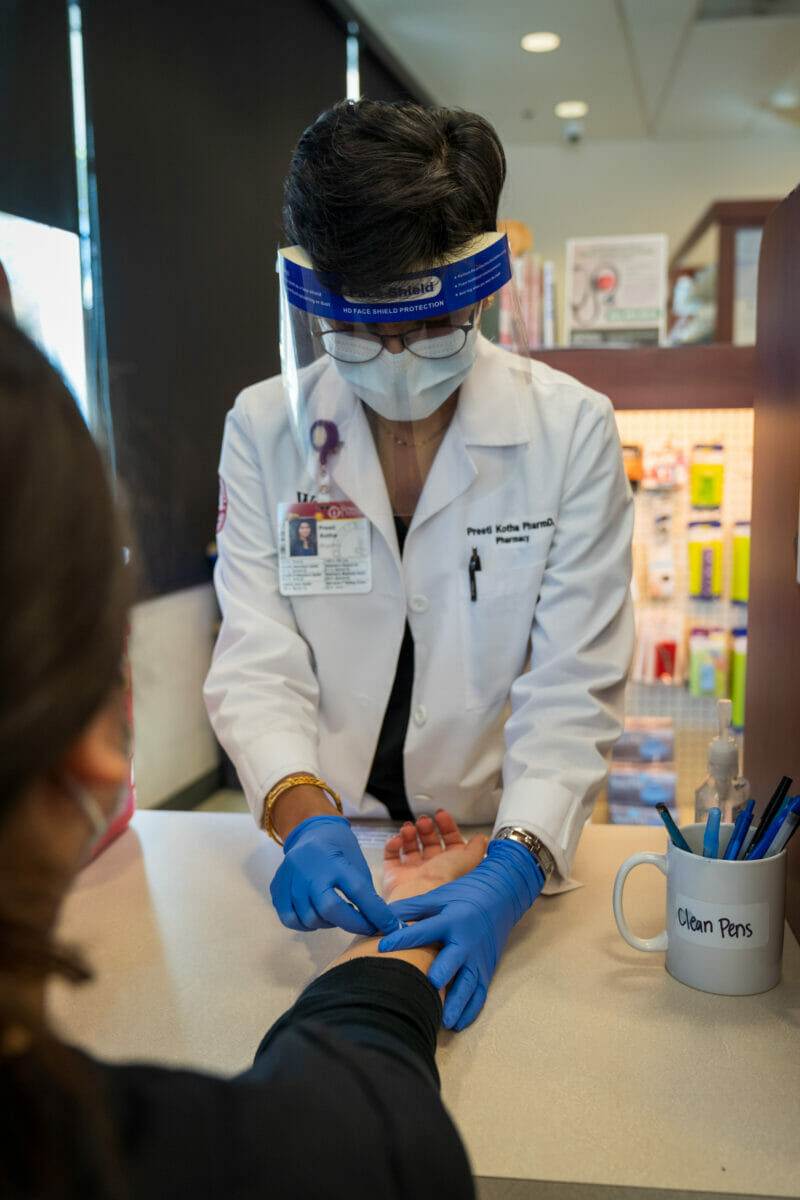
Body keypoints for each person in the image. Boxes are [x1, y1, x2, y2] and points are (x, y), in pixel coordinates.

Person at [0, 312, 482, 1199]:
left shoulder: (564, 424)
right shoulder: (300, 1160)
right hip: (408, 871)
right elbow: (364, 1128)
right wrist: (381, 942)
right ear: (98, 750)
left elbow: (577, 683)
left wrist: (526, 849)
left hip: (489, 808)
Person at [204, 99, 634, 1030]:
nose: (397, 362)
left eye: (430, 328)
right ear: (316, 296)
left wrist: (513, 868)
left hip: (496, 833)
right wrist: (301, 813)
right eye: (363, 332)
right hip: (333, 827)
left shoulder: (571, 432)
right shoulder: (266, 428)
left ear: (479, 291)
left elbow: (573, 685)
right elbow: (257, 655)